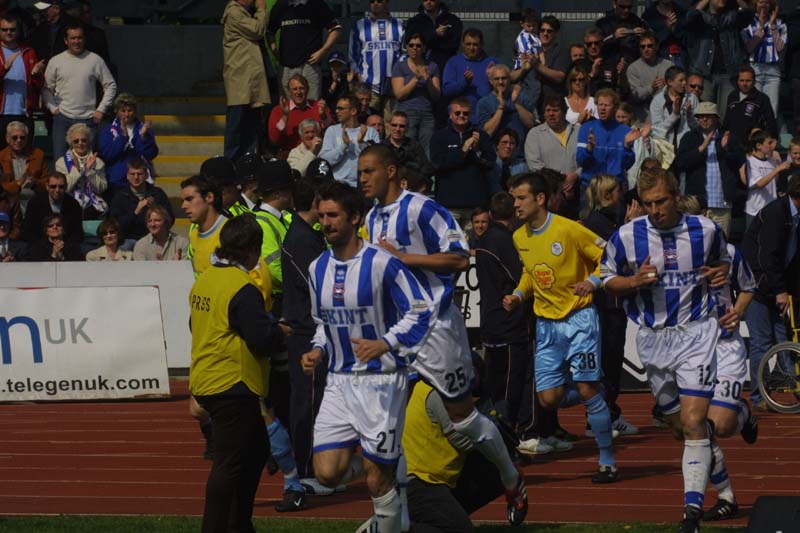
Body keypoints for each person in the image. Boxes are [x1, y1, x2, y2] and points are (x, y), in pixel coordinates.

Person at [358, 144, 528, 526]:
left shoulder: (422, 209)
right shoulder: (371, 218)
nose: (363, 178)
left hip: (435, 328)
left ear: (390, 170)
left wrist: (406, 259)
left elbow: (460, 256)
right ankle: (392, 516)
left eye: (369, 171)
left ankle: (510, 477)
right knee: (389, 423)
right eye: (360, 172)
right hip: (397, 331)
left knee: (463, 418)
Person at [600, 167, 732, 531]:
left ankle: (691, 512)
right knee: (682, 429)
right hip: (653, 339)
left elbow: (724, 259)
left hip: (696, 334)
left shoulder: (705, 230)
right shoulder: (626, 236)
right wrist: (632, 281)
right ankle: (727, 494)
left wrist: (721, 272)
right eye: (647, 204)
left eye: (660, 201)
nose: (654, 210)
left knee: (693, 422)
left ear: (675, 196)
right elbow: (606, 278)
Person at [301, 180, 434, 532]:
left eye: (334, 215)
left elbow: (421, 309)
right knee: (326, 474)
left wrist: (387, 342)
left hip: (381, 381)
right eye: (322, 215)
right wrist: (318, 349)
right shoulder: (317, 269)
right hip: (339, 382)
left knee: (377, 483)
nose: (325, 222)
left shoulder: (382, 263)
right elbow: (322, 323)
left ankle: (387, 489)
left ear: (355, 217)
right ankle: (385, 463)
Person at [503, 171, 618, 484]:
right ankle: (594, 392)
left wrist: (593, 282)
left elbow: (608, 256)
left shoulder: (569, 229)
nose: (515, 204)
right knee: (548, 399)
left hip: (580, 319)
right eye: (514, 198)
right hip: (547, 325)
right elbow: (530, 273)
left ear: (539, 199)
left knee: (585, 387)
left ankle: (606, 459)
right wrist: (517, 294)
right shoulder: (518, 236)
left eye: (521, 197)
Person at [189, 214, 288, 533]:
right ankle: (223, 526)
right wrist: (280, 331)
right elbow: (261, 339)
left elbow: (195, 324)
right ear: (252, 250)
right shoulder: (242, 288)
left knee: (257, 450)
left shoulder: (205, 280)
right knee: (229, 464)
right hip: (232, 382)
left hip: (210, 376)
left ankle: (238, 524)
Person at [676, 195, 759, 523]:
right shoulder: (668, 258)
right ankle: (725, 497)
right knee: (697, 427)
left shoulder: (729, 253)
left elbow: (749, 287)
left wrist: (737, 312)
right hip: (688, 351)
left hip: (724, 349)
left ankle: (742, 412)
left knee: (720, 426)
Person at [403, 354, 510, 532]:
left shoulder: (427, 386)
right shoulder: (438, 394)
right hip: (418, 483)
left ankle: (438, 518)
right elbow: (463, 441)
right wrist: (493, 433)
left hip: (424, 480)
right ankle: (395, 528)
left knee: (495, 470)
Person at [581, 174, 638, 436]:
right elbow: (613, 253)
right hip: (604, 301)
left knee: (612, 358)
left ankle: (607, 413)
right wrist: (629, 225)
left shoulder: (607, 220)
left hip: (613, 301)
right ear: (607, 195)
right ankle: (600, 417)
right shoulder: (596, 222)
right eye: (616, 191)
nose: (621, 196)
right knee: (607, 357)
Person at [280, 178, 328, 490]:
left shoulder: (303, 235)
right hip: (307, 332)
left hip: (305, 328)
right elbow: (316, 287)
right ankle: (307, 469)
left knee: (311, 401)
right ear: (314, 202)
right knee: (308, 403)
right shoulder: (303, 239)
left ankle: (310, 466)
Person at [741, 176, 800, 410]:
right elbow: (768, 256)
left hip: (778, 284)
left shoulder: (794, 216)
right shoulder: (777, 213)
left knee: (785, 339)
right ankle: (758, 397)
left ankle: (795, 388)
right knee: (761, 342)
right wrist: (780, 291)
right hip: (755, 284)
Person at [474, 192, 528, 427]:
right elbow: (519, 277)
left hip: (490, 319)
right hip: (508, 322)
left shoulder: (484, 240)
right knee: (509, 385)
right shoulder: (503, 241)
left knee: (494, 385)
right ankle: (506, 436)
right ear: (514, 212)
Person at [42, 22, 117, 160]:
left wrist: (101, 109)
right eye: (73, 38)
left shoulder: (95, 60)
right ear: (66, 40)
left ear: (84, 39)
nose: (77, 41)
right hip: (62, 119)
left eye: (80, 38)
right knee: (60, 162)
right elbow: (46, 89)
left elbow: (110, 85)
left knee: (88, 163)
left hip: (88, 120)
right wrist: (53, 108)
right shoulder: (56, 61)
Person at [675, 101, 744, 237]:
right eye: (700, 116)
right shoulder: (690, 138)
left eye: (708, 116)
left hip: (721, 205)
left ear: (716, 118)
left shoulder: (729, 137)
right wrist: (701, 148)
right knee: (696, 244)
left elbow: (740, 164)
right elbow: (680, 163)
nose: (704, 119)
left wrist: (726, 149)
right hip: (697, 206)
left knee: (722, 246)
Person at [430, 97, 496, 222]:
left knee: (475, 241)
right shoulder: (439, 137)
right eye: (457, 113)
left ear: (470, 115)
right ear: (450, 115)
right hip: (449, 205)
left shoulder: (480, 135)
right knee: (451, 241)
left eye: (465, 113)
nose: (461, 116)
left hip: (476, 205)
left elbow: (490, 163)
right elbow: (437, 164)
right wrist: (462, 151)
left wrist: (477, 151)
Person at [686, 0, 754, 121]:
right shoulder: (701, 17)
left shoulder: (732, 16)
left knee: (725, 115)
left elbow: (748, 13)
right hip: (704, 75)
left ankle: (721, 139)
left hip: (728, 74)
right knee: (704, 114)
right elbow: (690, 16)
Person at [266, 0, 342, 101]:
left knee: (311, 105)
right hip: (286, 66)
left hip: (309, 65)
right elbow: (269, 31)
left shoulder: (317, 4)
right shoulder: (281, 5)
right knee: (287, 106)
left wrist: (322, 51)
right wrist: (273, 48)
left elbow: (336, 29)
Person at [222, 0, 269, 161]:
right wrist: (262, 10)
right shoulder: (234, 12)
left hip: (250, 80)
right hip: (240, 81)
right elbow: (257, 30)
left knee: (251, 126)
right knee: (237, 126)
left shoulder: (244, 13)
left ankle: (248, 161)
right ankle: (230, 163)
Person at [576, 88, 638, 201]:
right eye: (600, 105)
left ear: (615, 108)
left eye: (607, 105)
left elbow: (627, 165)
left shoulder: (625, 131)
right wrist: (589, 149)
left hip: (614, 189)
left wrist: (627, 147)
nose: (603, 109)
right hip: (591, 187)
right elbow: (580, 160)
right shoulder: (586, 128)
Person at [348, 0, 404, 119]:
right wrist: (359, 76)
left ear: (387, 2)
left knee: (391, 125)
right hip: (369, 87)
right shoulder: (359, 25)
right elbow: (353, 56)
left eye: (379, 1)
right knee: (368, 122)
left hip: (393, 87)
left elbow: (404, 54)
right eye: (372, 1)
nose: (375, 4)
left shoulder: (400, 25)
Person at [524, 95, 580, 210]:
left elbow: (589, 159)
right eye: (548, 110)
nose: (551, 114)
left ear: (564, 112)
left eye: (555, 110)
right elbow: (534, 165)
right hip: (550, 196)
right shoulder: (535, 134)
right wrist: (560, 183)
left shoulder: (579, 131)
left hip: (578, 190)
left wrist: (576, 175)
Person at [98, 93, 159, 194]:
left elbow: (150, 154)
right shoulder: (108, 130)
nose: (127, 114)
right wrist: (123, 137)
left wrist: (144, 137)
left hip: (139, 181)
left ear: (135, 112)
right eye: (123, 111)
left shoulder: (144, 129)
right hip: (116, 182)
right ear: (116, 112)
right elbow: (107, 155)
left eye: (130, 110)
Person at [390, 32, 440, 154]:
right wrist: (415, 79)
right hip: (406, 112)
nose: (414, 48)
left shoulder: (432, 66)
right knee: (407, 148)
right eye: (411, 45)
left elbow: (436, 96)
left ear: (424, 48)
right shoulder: (399, 66)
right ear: (406, 47)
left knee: (427, 150)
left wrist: (428, 80)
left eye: (418, 45)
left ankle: (427, 173)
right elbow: (399, 94)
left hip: (427, 113)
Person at [0, 13, 44, 151]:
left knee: (25, 156)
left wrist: (37, 75)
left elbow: (39, 84)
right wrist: (4, 69)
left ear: (18, 31)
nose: (9, 32)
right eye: (4, 29)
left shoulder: (28, 51)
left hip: (24, 112)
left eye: (12, 29)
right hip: (1, 113)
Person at [319, 95, 379, 187]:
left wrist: (361, 143)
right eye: (336, 108)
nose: (336, 111)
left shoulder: (370, 132)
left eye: (340, 108)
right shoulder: (332, 131)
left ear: (353, 111)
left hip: (364, 186)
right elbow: (324, 161)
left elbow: (377, 161)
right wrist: (344, 146)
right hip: (338, 185)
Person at [109, 157, 172, 243]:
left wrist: (155, 210)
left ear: (146, 175)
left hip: (154, 237)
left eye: (139, 174)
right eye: (132, 174)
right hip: (129, 239)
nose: (136, 177)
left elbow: (170, 219)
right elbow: (116, 225)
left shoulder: (157, 193)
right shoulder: (120, 196)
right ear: (127, 176)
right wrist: (136, 212)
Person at [442, 28, 499, 118]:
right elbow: (447, 91)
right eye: (468, 44)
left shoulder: (492, 63)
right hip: (461, 117)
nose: (471, 48)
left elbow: (503, 86)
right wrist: (464, 83)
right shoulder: (453, 62)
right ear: (462, 44)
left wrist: (492, 79)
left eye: (475, 44)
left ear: (482, 45)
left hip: (487, 116)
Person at [743, 0, 786, 119]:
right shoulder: (748, 23)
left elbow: (780, 47)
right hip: (755, 70)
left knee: (772, 110)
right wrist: (761, 26)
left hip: (773, 72)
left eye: (767, 2)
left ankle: (770, 136)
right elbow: (749, 48)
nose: (764, 5)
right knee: (753, 108)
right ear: (755, 4)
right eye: (761, 2)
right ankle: (755, 136)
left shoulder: (780, 23)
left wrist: (772, 25)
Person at [55, 122, 107, 219]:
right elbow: (64, 189)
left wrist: (89, 171)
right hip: (69, 204)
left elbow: (101, 189)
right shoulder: (61, 163)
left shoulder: (98, 162)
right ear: (71, 143)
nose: (80, 143)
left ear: (89, 142)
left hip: (93, 207)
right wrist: (77, 169)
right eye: (76, 141)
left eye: (84, 140)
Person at [267, 74, 330, 153]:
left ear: (307, 90)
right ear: (289, 92)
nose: (298, 92)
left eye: (301, 88)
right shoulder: (278, 110)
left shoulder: (320, 107)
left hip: (317, 153)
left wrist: (324, 117)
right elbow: (274, 140)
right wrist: (285, 116)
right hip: (289, 155)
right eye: (294, 89)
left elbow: (332, 135)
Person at [476, 64, 535, 142]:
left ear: (510, 79)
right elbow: (487, 133)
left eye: (504, 78)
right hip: (494, 151)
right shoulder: (484, 103)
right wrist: (500, 107)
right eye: (497, 79)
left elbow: (531, 123)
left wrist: (516, 103)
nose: (501, 82)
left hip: (519, 150)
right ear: (491, 81)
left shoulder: (520, 96)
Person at [404, 0, 462, 79]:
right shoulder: (414, 21)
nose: (428, 2)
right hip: (420, 67)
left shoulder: (453, 20)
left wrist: (426, 42)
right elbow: (409, 44)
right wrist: (434, 35)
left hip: (445, 67)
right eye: (425, 0)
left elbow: (454, 45)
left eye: (432, 0)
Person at [722, 65, 778, 147]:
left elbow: (770, 123)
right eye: (742, 80)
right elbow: (727, 120)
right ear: (737, 81)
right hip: (732, 145)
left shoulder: (762, 98)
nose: (744, 84)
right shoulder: (732, 96)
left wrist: (771, 141)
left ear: (754, 82)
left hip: (752, 147)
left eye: (748, 81)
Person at [22, 172, 83, 245]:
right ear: (47, 186)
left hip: (66, 246)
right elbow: (28, 231)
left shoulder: (73, 204)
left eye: (61, 187)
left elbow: (77, 232)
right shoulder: (35, 203)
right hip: (40, 246)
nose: (57, 190)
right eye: (53, 186)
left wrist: (63, 245)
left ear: (66, 187)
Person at [0, 121, 49, 209]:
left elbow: (48, 182)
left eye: (22, 138)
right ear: (7, 139)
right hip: (8, 204)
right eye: (14, 137)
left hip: (34, 202)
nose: (19, 140)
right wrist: (17, 183)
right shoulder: (1, 157)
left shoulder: (38, 155)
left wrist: (35, 183)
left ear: (27, 139)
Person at [743, 129, 787, 228]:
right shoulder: (750, 162)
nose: (772, 145)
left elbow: (776, 184)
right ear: (759, 146)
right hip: (754, 211)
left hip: (771, 210)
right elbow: (758, 184)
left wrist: (778, 165)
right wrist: (778, 169)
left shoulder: (772, 161)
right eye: (769, 143)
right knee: (752, 241)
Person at [626, 32, 673, 119]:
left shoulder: (669, 65)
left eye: (650, 46)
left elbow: (677, 90)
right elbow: (636, 95)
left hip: (666, 115)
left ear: (656, 47)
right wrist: (651, 88)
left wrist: (666, 87)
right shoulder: (633, 68)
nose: (646, 49)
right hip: (643, 116)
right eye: (642, 47)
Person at [649, 66, 697, 148]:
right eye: (681, 80)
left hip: (685, 147)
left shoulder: (691, 98)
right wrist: (674, 115)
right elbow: (657, 132)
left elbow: (697, 128)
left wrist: (689, 116)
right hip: (665, 148)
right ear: (670, 82)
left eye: (685, 80)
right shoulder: (657, 101)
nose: (685, 83)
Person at [380, 110, 435, 180]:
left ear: (407, 128)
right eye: (394, 125)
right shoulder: (381, 147)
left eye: (402, 126)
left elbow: (426, 169)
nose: (397, 129)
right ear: (389, 126)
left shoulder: (415, 146)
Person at [596, 0, 649, 66]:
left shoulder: (638, 21)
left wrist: (643, 36)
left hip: (632, 64)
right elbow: (595, 46)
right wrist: (613, 37)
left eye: (629, 7)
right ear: (614, 3)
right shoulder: (603, 23)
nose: (626, 10)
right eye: (622, 7)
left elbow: (650, 43)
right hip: (609, 64)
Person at [642, 0, 688, 69]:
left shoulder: (682, 12)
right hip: (658, 61)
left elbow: (688, 40)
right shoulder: (649, 15)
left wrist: (675, 28)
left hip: (680, 59)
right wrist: (666, 28)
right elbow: (649, 44)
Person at [493, 128, 528, 192]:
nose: (508, 146)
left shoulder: (522, 167)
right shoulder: (490, 164)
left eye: (512, 143)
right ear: (497, 145)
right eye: (504, 142)